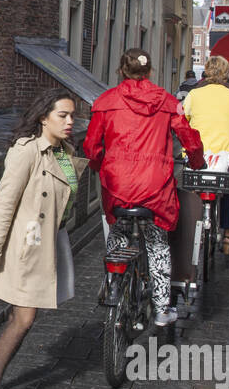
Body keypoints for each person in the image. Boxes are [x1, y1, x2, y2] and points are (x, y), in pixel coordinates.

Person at [0, 88, 87, 389]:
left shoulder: (65, 152)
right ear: (43, 118)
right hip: (25, 247)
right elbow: (4, 204)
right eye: (62, 115)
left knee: (21, 317)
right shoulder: (26, 151)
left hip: (49, 243)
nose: (70, 122)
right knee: (25, 319)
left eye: (72, 116)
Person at [82, 48, 205, 327]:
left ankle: (113, 281)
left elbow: (91, 146)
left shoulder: (105, 101)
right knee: (157, 244)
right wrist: (197, 161)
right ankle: (162, 309)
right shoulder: (167, 101)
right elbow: (189, 137)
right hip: (154, 188)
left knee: (118, 234)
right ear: (150, 72)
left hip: (118, 185)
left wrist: (97, 165)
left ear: (121, 71)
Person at [180, 55, 229, 255]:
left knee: (193, 191)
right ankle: (227, 237)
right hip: (227, 155)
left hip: (199, 155)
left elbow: (182, 120)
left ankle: (191, 228)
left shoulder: (194, 94)